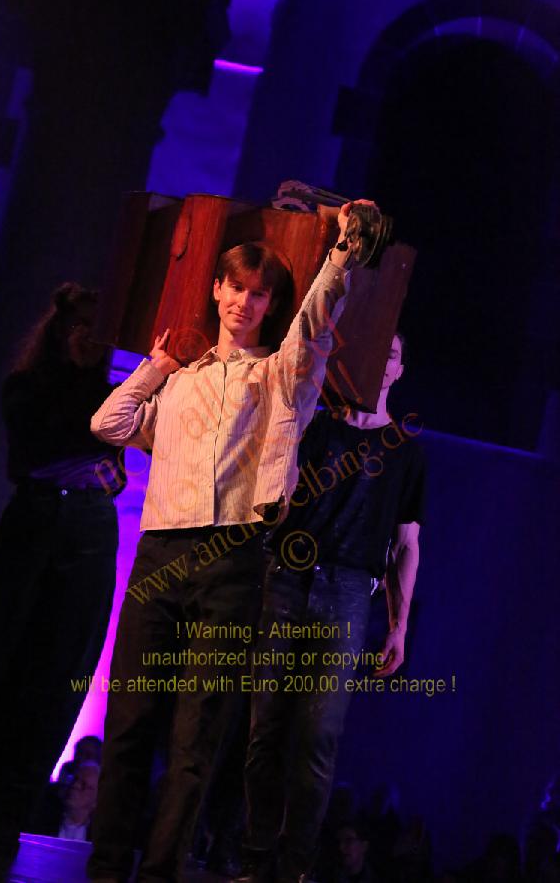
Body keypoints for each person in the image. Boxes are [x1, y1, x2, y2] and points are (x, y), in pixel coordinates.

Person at [87, 200, 372, 883]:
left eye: (258, 293)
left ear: (270, 304)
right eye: (236, 287)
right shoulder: (180, 385)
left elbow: (313, 328)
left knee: (197, 733)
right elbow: (108, 423)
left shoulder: (276, 376)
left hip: (233, 559)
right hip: (160, 556)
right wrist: (156, 365)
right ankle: (106, 866)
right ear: (217, 289)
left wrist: (340, 256)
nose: (245, 302)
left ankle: (159, 870)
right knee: (128, 721)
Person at [240, 332, 425, 883]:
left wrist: (399, 625)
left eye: (393, 354)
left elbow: (407, 543)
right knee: (265, 727)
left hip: (348, 591)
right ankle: (254, 858)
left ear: (400, 369)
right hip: (288, 580)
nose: (383, 361)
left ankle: (294, 867)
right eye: (377, 349)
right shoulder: (317, 426)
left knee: (318, 735)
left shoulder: (406, 451)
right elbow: (273, 496)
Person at [0, 283, 121, 881]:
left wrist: (88, 458)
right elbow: (41, 449)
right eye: (76, 327)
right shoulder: (27, 386)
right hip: (37, 521)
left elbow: (110, 465)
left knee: (62, 673)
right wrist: (85, 456)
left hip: (88, 528)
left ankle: (8, 813)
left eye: (95, 330)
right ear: (57, 330)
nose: (86, 338)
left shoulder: (107, 394)